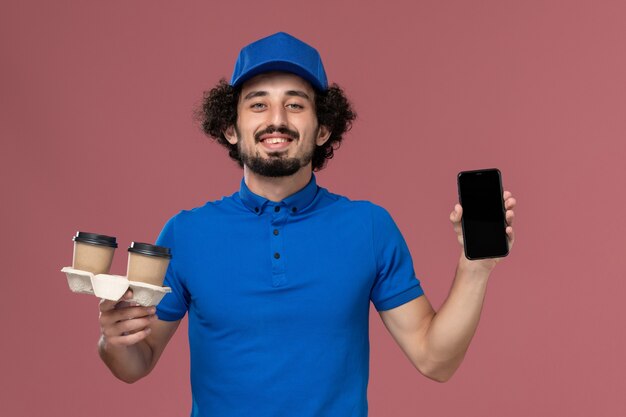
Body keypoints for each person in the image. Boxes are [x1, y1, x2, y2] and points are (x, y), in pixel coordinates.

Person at [98, 32, 517, 417]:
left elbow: (435, 360)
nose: (276, 119)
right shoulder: (186, 233)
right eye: (258, 104)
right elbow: (137, 363)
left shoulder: (369, 227)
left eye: (295, 104)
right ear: (230, 128)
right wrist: (112, 340)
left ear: (322, 130)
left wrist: (474, 268)